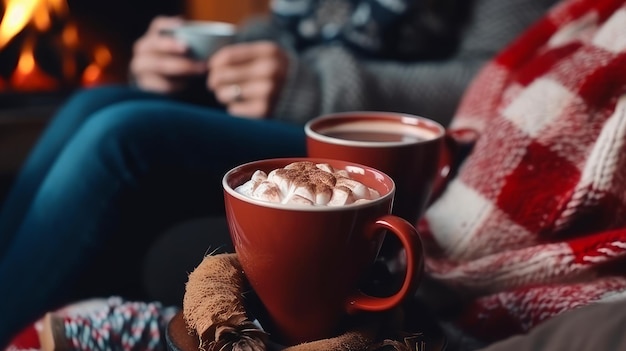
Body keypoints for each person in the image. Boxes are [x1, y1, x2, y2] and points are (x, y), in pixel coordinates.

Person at [0, 0, 559, 347]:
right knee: (94, 104)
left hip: (372, 136)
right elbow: (293, 29)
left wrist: (314, 85)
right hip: (291, 105)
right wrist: (193, 57)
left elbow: (503, 73)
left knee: (122, 136)